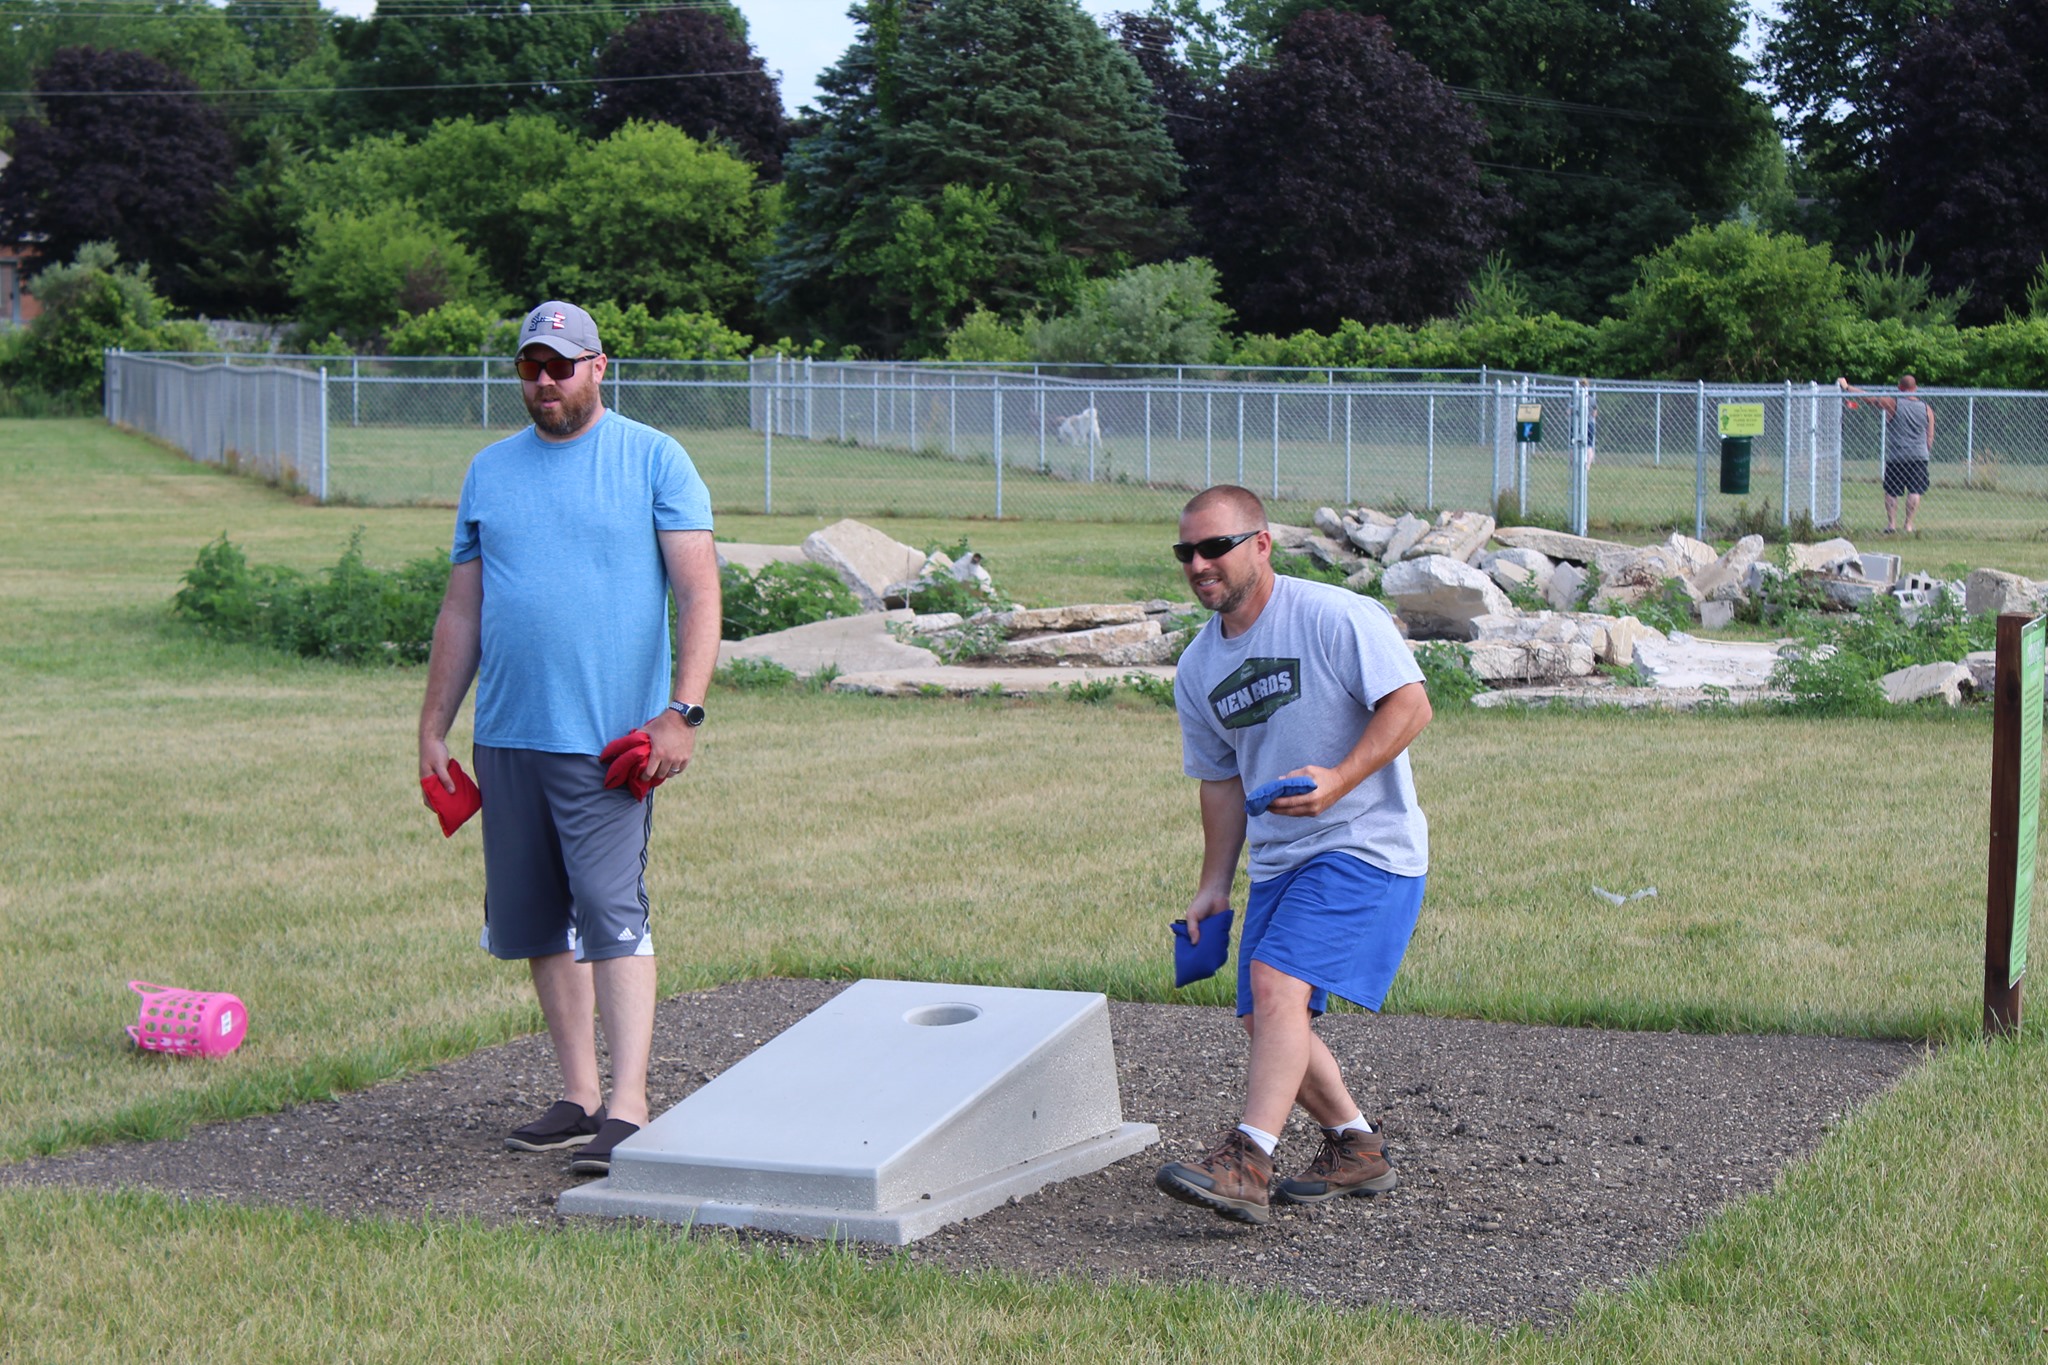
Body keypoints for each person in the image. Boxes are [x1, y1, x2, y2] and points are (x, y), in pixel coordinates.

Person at [417, 300, 721, 1176]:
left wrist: (682, 713)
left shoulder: (654, 458)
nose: (544, 381)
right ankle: (578, 1093)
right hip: (508, 734)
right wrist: (435, 724)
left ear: (599, 366)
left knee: (611, 912)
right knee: (538, 920)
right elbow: (463, 607)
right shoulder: (490, 472)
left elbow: (698, 595)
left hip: (610, 741)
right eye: (530, 367)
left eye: (561, 365)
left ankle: (629, 1104)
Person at [1153, 485, 1433, 1226]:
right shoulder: (1198, 667)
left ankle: (1248, 1159)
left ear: (1262, 544)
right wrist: (1213, 884)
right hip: (1280, 859)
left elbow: (1411, 704)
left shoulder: (1334, 616)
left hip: (1365, 843)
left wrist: (1340, 778)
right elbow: (1220, 781)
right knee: (1265, 1018)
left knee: (1279, 985)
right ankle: (1355, 1147)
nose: (1200, 563)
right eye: (1188, 551)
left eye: (1217, 546)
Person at [1838, 374, 1934, 534]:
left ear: (1899, 388)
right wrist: (1926, 451)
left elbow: (1869, 398)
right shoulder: (1927, 409)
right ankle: (1908, 525)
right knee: (1915, 490)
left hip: (1897, 456)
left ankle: (1891, 524)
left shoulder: (1893, 403)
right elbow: (1930, 436)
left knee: (1892, 491)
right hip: (1919, 456)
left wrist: (1847, 387)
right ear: (1915, 388)